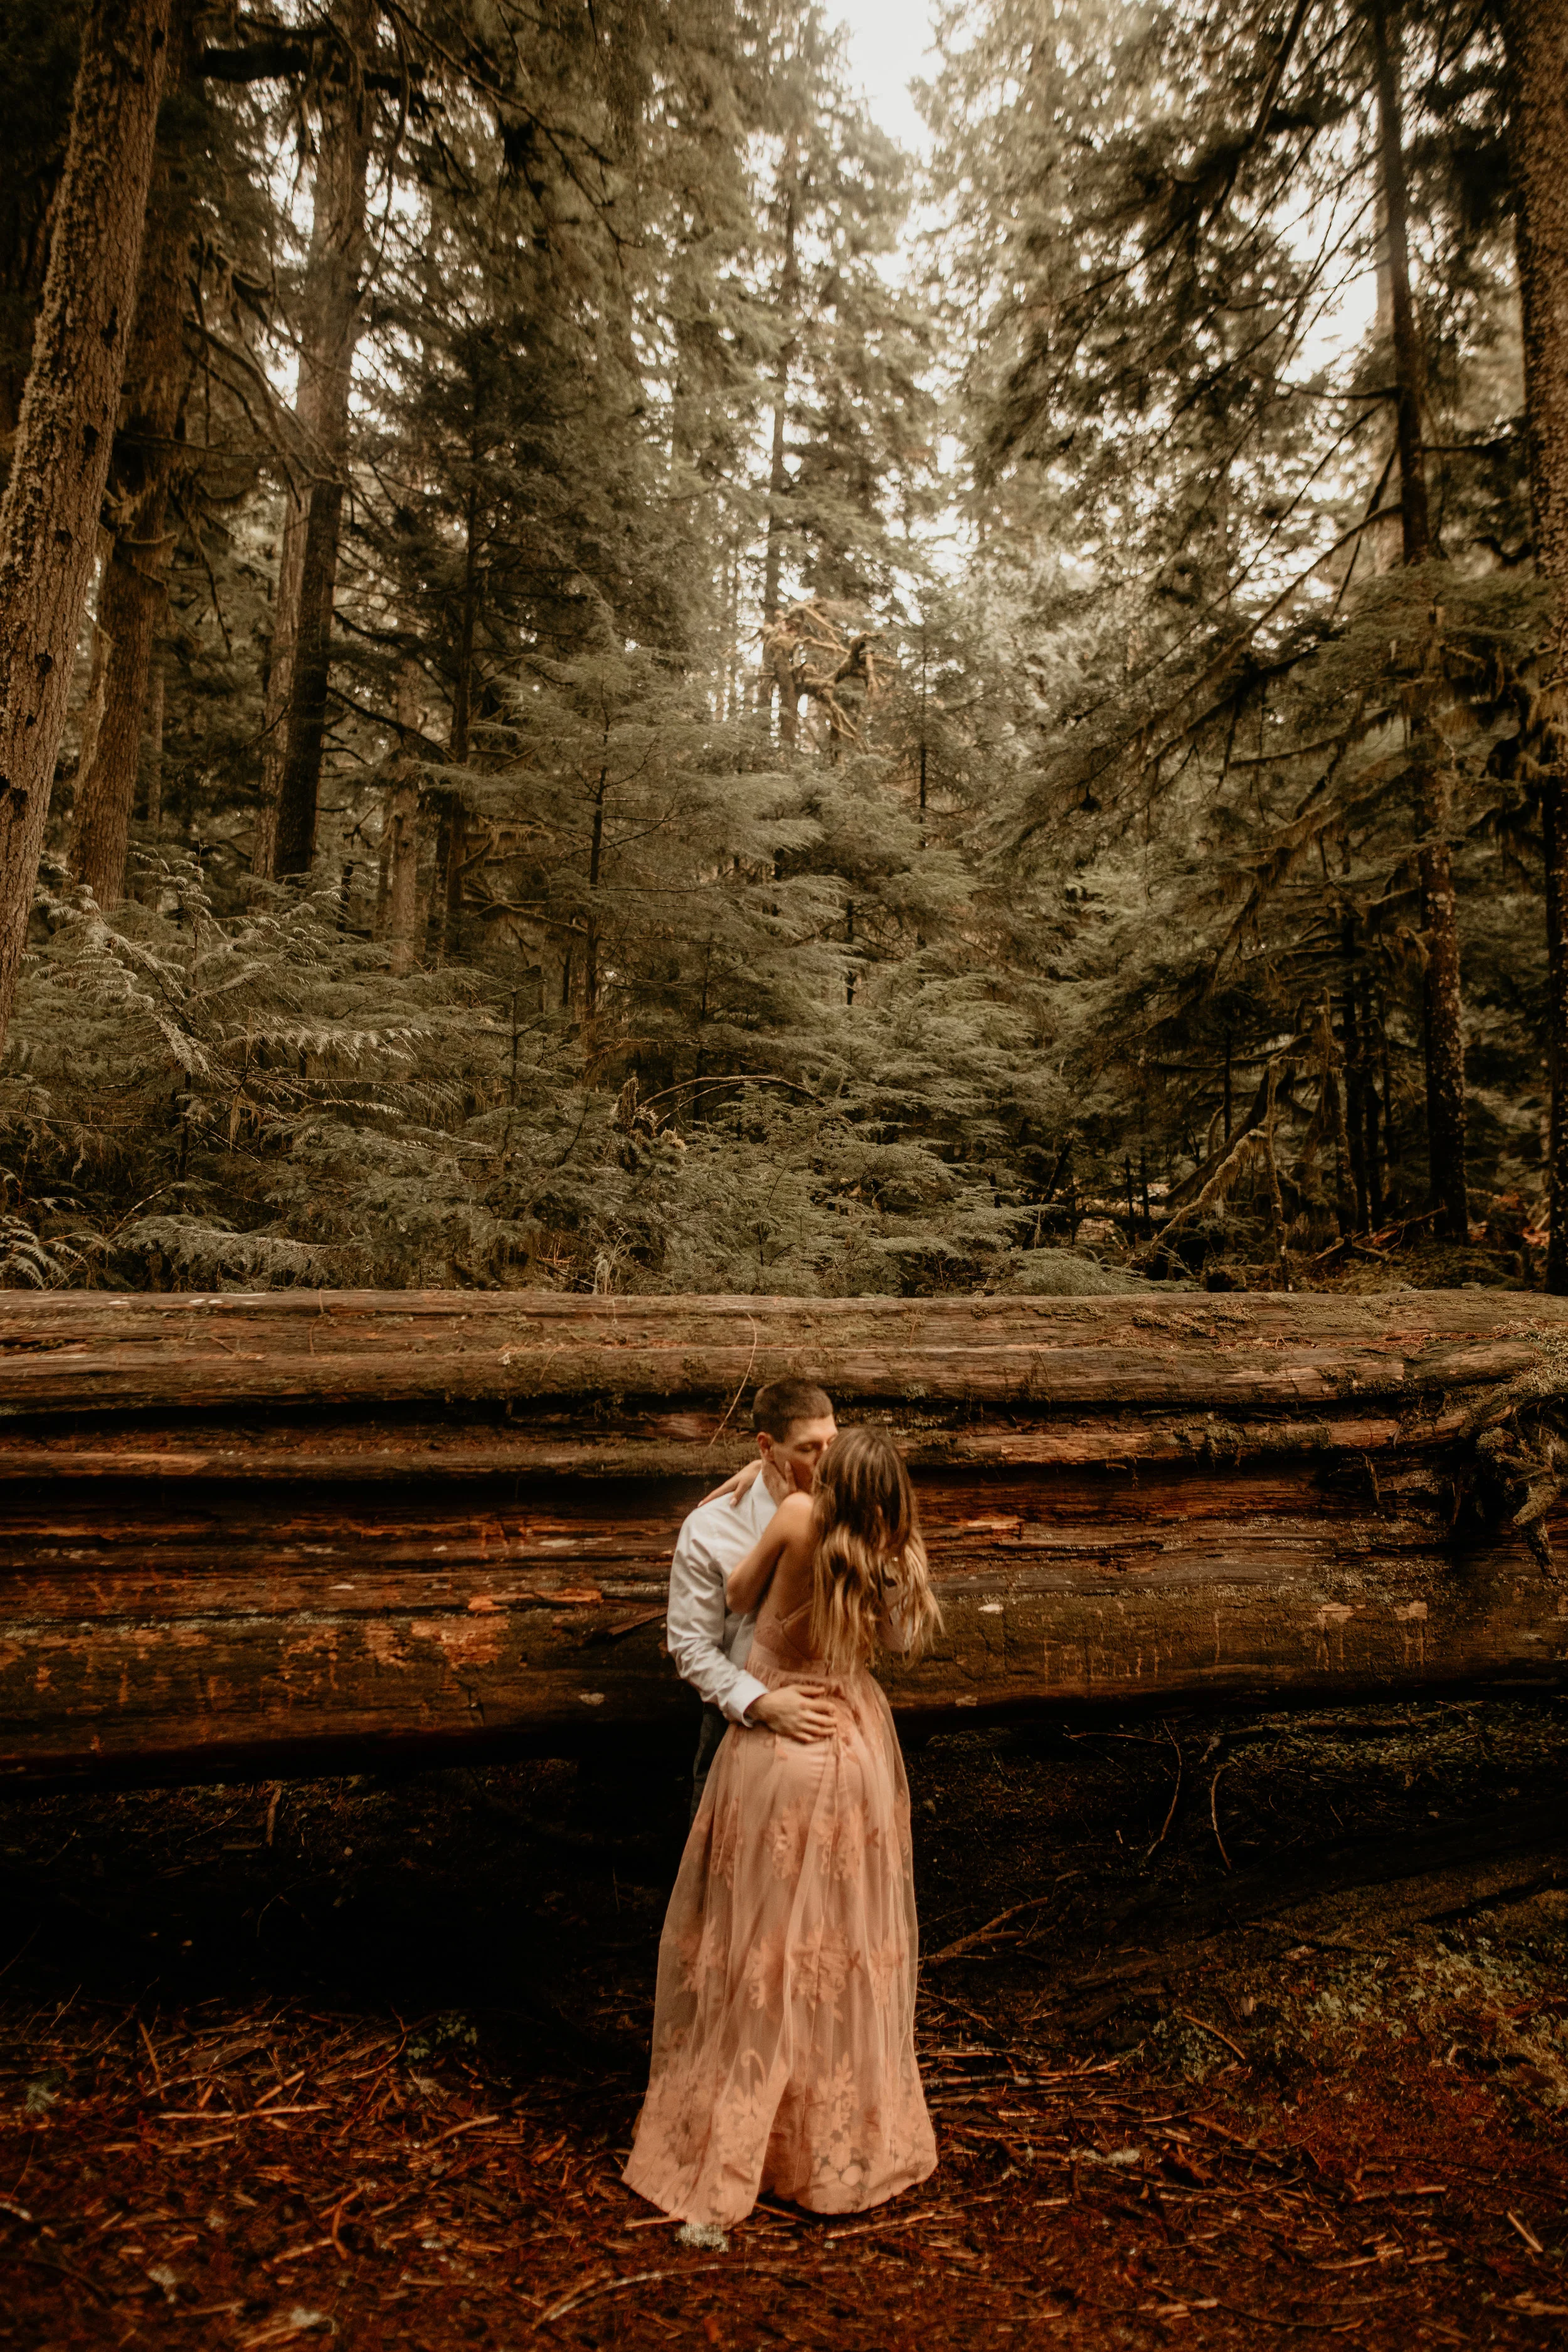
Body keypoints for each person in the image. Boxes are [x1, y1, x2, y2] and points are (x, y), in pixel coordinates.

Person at [624, 1426, 942, 2228]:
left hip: (781, 1745)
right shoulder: (894, 1548)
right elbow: (900, 1638)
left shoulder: (797, 1516)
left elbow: (736, 1596)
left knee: (762, 1941)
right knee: (842, 1942)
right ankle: (832, 2144)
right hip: (856, 1739)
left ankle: (750, 2138)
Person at [667, 1377, 839, 1821]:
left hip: (833, 1716)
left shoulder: (848, 1510)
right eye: (807, 1449)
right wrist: (760, 1704)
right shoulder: (711, 1527)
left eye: (832, 1443)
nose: (826, 1461)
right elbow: (690, 1646)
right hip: (736, 1722)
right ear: (766, 1446)